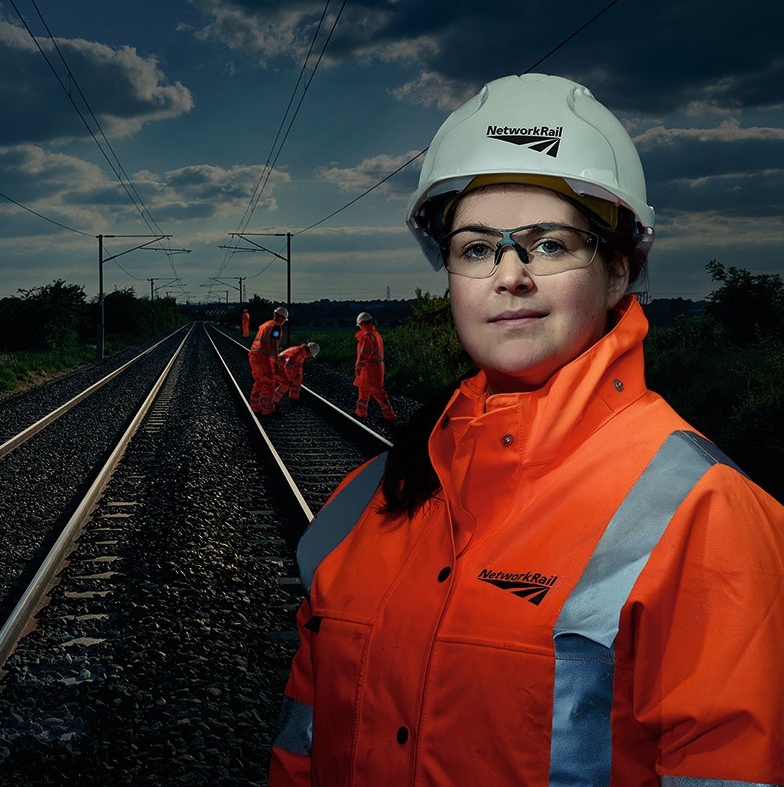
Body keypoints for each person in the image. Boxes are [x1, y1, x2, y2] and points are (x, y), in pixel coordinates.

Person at [270, 73, 784, 785]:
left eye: (548, 244)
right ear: (449, 278)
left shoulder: (705, 515)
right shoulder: (364, 502)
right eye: (476, 248)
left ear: (617, 272)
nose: (509, 274)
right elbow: (303, 745)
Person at [352, 312, 397, 421]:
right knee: (364, 391)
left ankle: (389, 415)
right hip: (375, 370)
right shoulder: (376, 335)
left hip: (369, 370)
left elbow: (364, 354)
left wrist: (358, 368)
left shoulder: (367, 336)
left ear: (362, 323)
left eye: (360, 326)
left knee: (377, 393)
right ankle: (360, 412)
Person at [249, 306, 288, 417]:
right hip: (262, 358)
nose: (284, 322)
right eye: (284, 319)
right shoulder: (276, 327)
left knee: (259, 382)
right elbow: (273, 345)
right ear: (282, 317)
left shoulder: (264, 325)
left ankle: (255, 407)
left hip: (253, 356)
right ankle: (268, 410)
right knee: (269, 383)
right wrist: (276, 363)